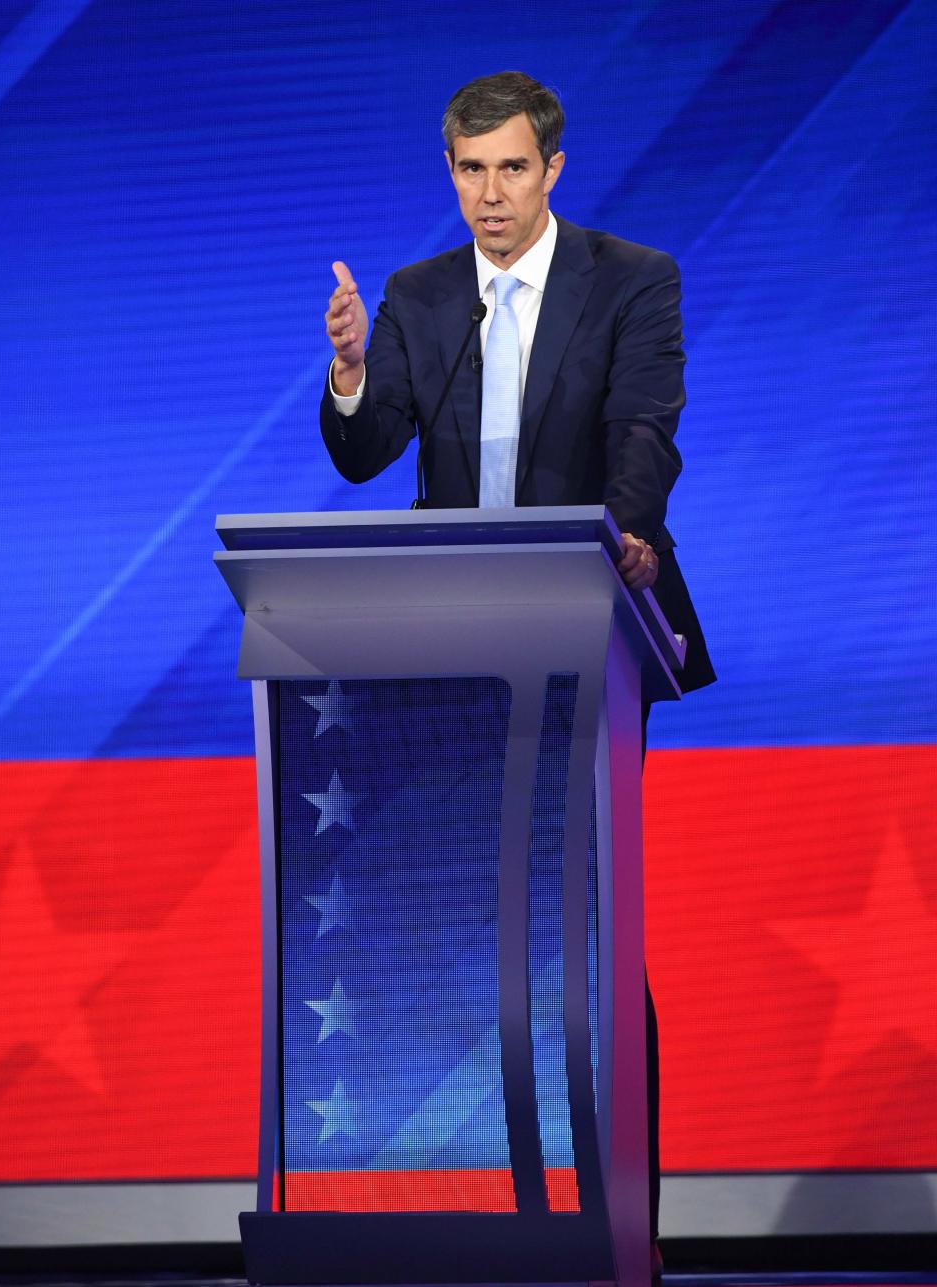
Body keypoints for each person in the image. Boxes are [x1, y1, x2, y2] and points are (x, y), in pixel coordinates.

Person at [320, 71, 715, 1278]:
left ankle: (622, 1230)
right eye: (467, 171)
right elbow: (367, 450)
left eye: (508, 169)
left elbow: (646, 425)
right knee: (477, 939)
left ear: (552, 169)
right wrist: (347, 374)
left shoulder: (631, 278)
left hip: (591, 625)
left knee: (587, 925)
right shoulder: (419, 295)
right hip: (453, 652)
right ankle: (499, 1220)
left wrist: (629, 530)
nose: (487, 195)